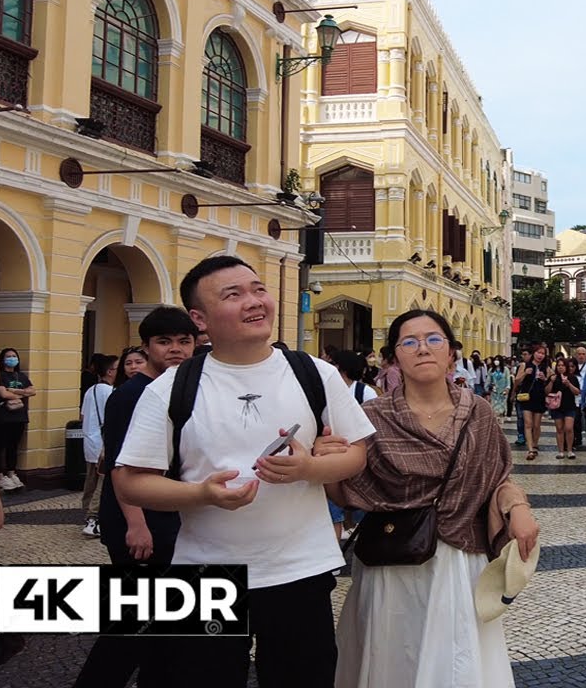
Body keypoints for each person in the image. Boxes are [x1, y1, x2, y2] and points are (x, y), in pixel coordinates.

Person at [112, 256, 376, 688]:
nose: (254, 302)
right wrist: (202, 495)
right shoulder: (171, 388)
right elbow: (130, 480)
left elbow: (357, 453)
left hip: (300, 568)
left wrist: (309, 467)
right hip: (205, 571)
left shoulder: (314, 373)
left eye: (258, 289)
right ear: (200, 318)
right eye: (233, 295)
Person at [328, 309, 539, 687]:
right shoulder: (370, 417)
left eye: (433, 339)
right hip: (393, 562)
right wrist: (322, 461)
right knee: (394, 657)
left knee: (457, 662)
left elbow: (498, 478)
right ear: (393, 358)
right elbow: (346, 491)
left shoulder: (479, 413)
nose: (422, 348)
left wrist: (518, 508)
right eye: (409, 342)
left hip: (460, 560)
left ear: (450, 354)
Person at [75, 307, 198, 688]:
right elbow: (117, 466)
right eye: (164, 342)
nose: (175, 350)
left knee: (165, 626)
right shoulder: (130, 395)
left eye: (184, 341)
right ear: (146, 348)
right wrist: (136, 525)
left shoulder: (176, 387)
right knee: (135, 623)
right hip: (139, 522)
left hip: (167, 515)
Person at [329, 350, 376, 540]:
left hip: (358, 454)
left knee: (357, 500)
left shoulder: (364, 392)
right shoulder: (328, 390)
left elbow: (374, 427)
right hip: (333, 454)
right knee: (334, 505)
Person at [80, 354, 118, 538]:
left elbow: (83, 417)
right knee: (102, 483)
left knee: (91, 482)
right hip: (102, 444)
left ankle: (86, 512)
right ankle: (93, 518)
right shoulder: (110, 392)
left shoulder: (91, 390)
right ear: (110, 371)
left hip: (89, 441)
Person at [0, 348, 34, 491]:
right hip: (3, 417)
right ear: (2, 359)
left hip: (19, 417)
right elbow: (2, 394)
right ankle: (0, 476)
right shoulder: (0, 375)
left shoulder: (21, 376)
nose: (11, 358)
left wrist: (14, 391)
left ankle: (12, 474)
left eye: (14, 356)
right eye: (8, 356)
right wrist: (23, 394)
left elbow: (33, 391)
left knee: (13, 447)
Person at [515, 344, 551, 461]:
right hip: (527, 398)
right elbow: (516, 382)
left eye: (542, 353)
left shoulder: (546, 368)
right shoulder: (524, 365)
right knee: (528, 424)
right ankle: (530, 449)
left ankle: (535, 444)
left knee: (536, 425)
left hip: (539, 397)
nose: (540, 355)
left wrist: (545, 379)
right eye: (538, 353)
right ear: (533, 353)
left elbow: (549, 388)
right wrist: (525, 373)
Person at [547, 357, 580, 460]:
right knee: (559, 429)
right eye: (559, 365)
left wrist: (568, 384)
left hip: (569, 406)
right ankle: (561, 451)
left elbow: (577, 392)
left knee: (569, 428)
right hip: (557, 406)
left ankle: (570, 450)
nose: (561, 367)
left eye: (562, 365)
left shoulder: (572, 378)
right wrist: (551, 381)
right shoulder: (554, 378)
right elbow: (547, 391)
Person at [513, 348, 531, 446]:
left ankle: (526, 435)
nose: (524, 356)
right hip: (521, 394)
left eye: (526, 354)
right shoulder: (522, 365)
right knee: (521, 417)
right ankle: (521, 435)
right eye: (523, 354)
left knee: (525, 418)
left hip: (530, 395)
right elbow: (517, 380)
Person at [574, 346, 586, 448]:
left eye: (583, 354)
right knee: (576, 420)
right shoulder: (572, 365)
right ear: (576, 355)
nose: (581, 356)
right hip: (575, 397)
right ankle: (577, 439)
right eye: (579, 354)